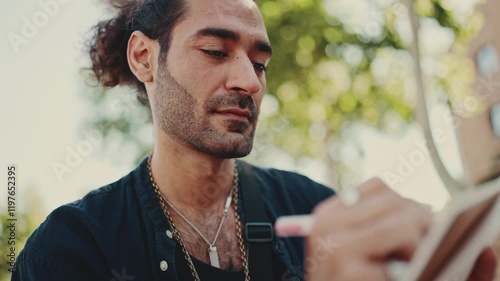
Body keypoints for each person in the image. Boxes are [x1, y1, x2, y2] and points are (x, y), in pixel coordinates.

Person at [11, 0, 497, 280]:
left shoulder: (315, 211)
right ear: (143, 58)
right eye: (216, 51)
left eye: (260, 62)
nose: (250, 81)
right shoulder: (71, 247)